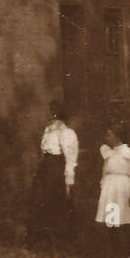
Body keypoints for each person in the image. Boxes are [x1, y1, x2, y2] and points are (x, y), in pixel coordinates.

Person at [27, 104, 78, 249]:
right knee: (37, 200)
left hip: (56, 168)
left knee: (53, 201)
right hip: (46, 166)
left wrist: (69, 180)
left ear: (59, 115)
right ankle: (36, 240)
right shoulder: (48, 129)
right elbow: (44, 151)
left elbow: (70, 158)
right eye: (49, 112)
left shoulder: (65, 132)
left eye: (53, 113)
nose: (49, 115)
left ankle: (57, 242)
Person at [95, 126, 130, 258]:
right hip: (110, 188)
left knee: (125, 221)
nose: (106, 138)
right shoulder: (109, 153)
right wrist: (103, 185)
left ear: (117, 137)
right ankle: (115, 252)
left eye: (109, 135)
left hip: (123, 188)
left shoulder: (129, 153)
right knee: (111, 221)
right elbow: (105, 172)